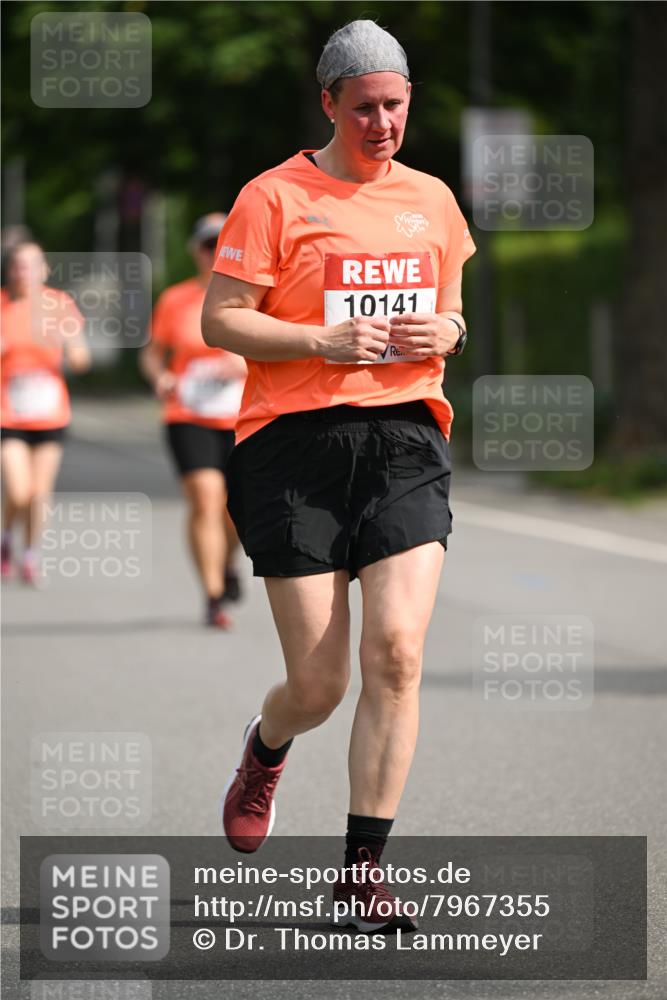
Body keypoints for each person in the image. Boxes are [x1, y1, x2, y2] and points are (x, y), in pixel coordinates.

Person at [202, 20, 476, 931]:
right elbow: (223, 320)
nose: (382, 123)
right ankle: (267, 745)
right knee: (317, 685)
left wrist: (450, 332)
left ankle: (362, 870)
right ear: (329, 104)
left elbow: (449, 310)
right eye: (364, 107)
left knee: (395, 654)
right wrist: (318, 338)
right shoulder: (273, 197)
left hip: (403, 439)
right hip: (292, 447)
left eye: (395, 105)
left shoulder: (431, 200)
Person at [141, 215, 247, 629]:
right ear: (196, 252)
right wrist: (160, 375)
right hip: (188, 413)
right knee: (205, 498)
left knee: (238, 512)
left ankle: (226, 563)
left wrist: (242, 361)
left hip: (243, 415)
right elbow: (152, 353)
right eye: (207, 246)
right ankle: (212, 595)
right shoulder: (176, 299)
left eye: (222, 245)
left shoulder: (254, 296)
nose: (214, 252)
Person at [1, 242, 91, 584]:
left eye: (31, 266)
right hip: (8, 414)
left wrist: (66, 344)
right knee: (19, 489)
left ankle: (30, 554)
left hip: (50, 414)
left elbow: (82, 360)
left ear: (44, 270)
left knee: (39, 492)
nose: (23, 272)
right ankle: (6, 535)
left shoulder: (60, 305)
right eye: (17, 266)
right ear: (10, 271)